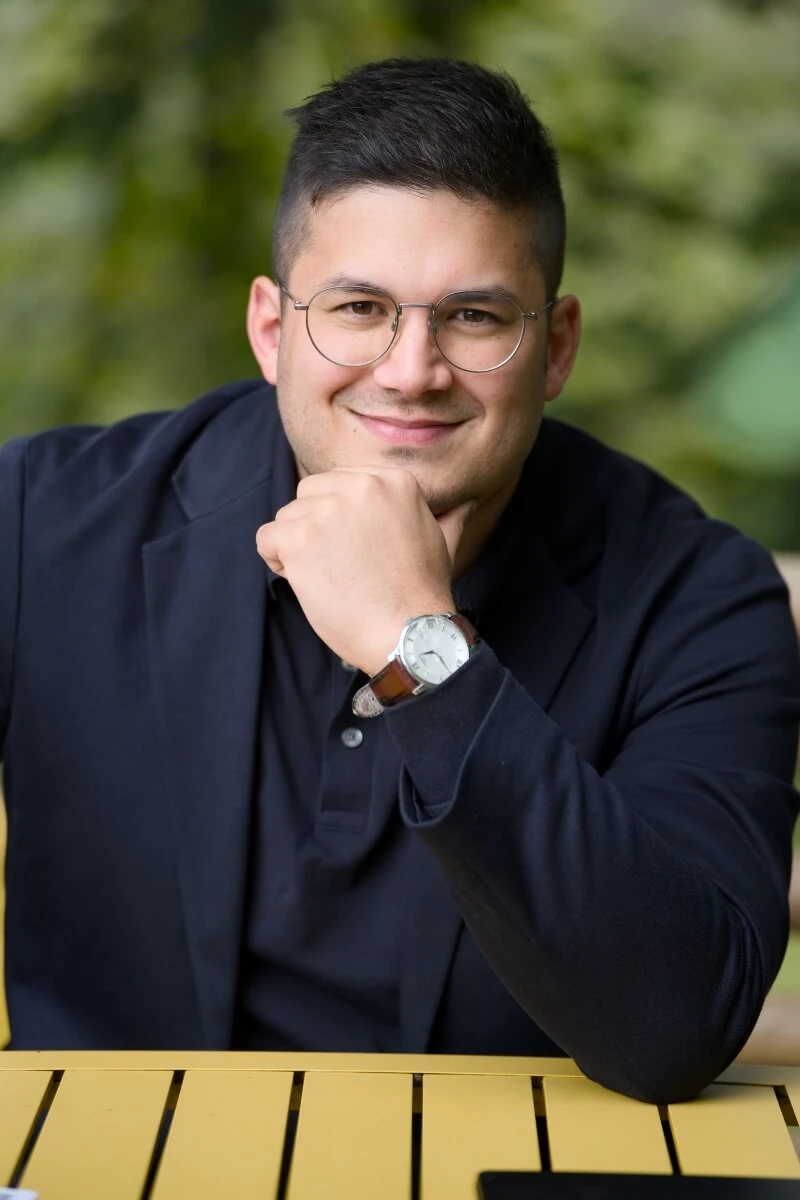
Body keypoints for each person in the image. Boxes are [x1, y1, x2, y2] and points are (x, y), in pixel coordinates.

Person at [0, 57, 798, 1105]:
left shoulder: (698, 600)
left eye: (473, 318)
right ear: (270, 327)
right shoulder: (39, 522)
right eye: (359, 306)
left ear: (552, 347)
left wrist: (421, 645)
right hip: (112, 1169)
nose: (410, 370)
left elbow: (670, 1026)